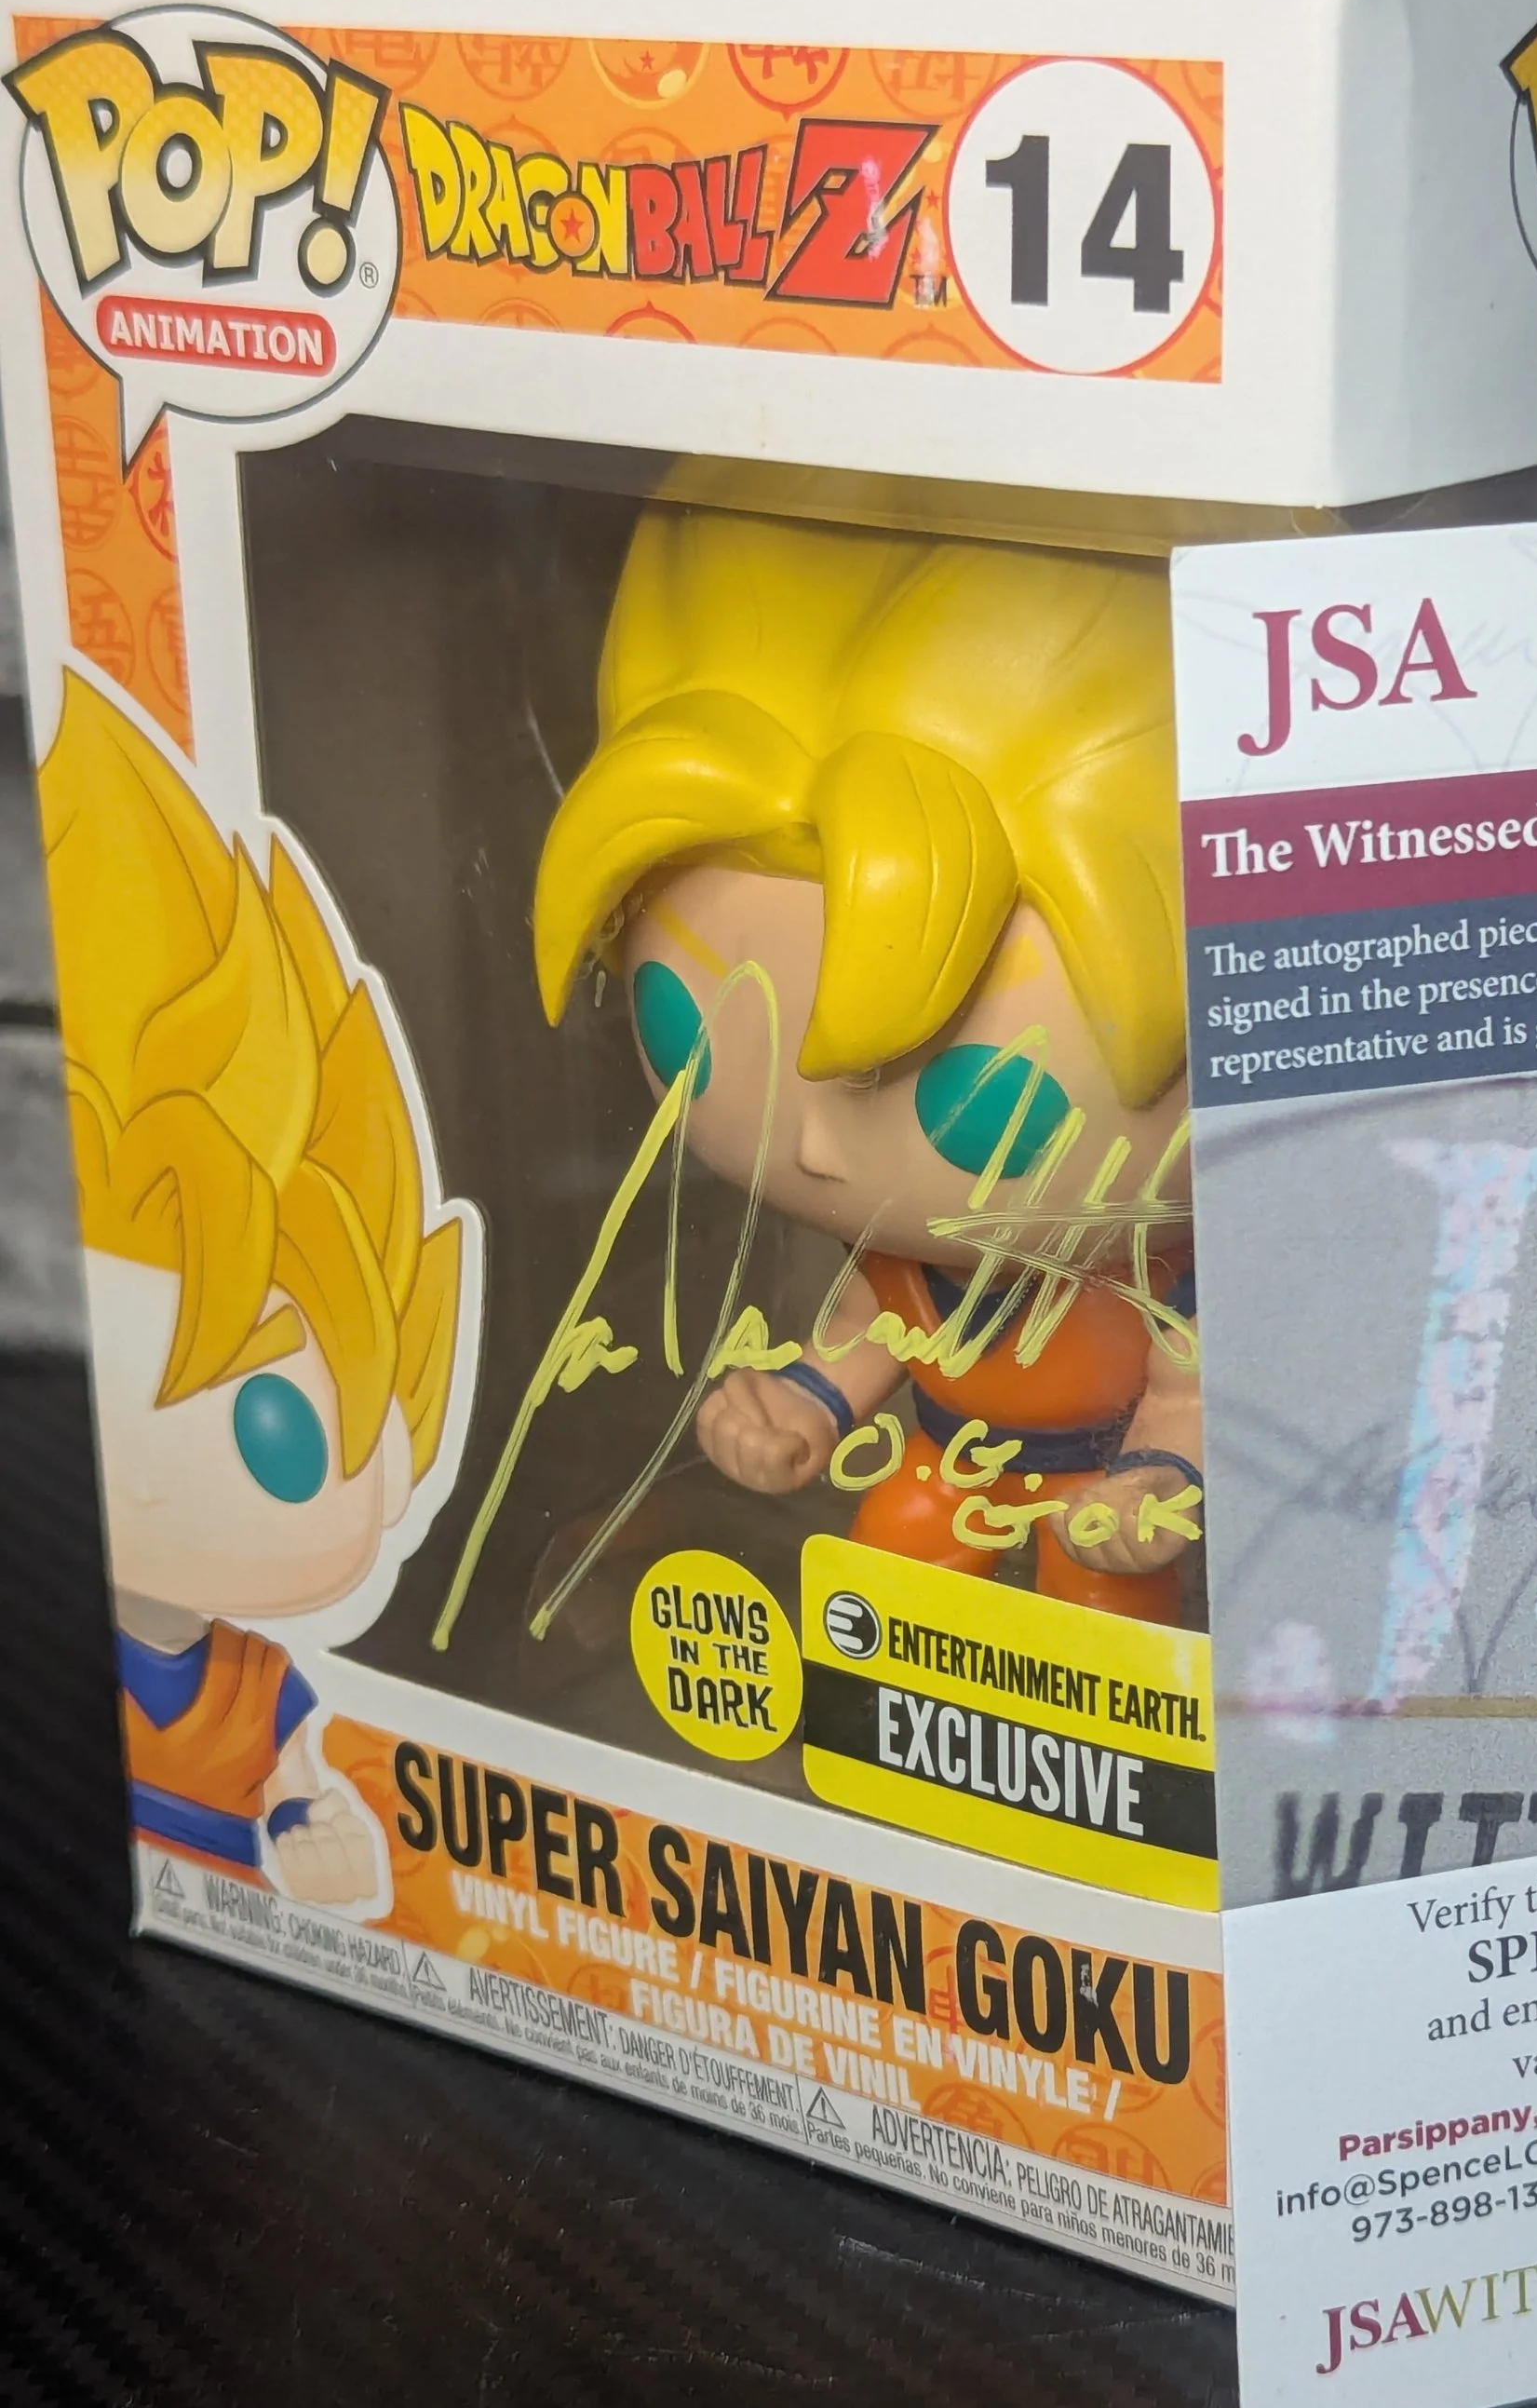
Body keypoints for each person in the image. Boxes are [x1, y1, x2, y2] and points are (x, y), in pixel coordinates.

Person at [531, 507, 1201, 1624]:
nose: (811, 1141)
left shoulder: (1158, 1277)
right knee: (885, 1589)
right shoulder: (895, 1262)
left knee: (1106, 1622)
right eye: (683, 1032)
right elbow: (856, 1344)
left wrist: (1158, 1483)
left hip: (1093, 1493)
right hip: (936, 1468)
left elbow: (1187, 1401)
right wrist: (792, 1412)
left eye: (983, 1103)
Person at [45, 674, 463, 1905]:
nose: (149, 1479)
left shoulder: (260, 1684)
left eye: (272, 1432)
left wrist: (320, 1833)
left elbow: (303, 1790)